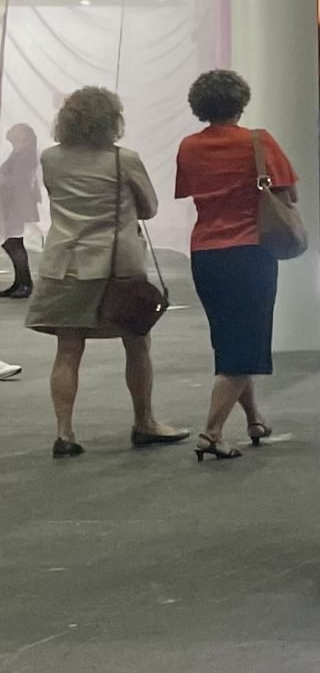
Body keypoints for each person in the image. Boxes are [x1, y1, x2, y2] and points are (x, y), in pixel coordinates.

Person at [27, 87, 189, 457]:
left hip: (64, 264)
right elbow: (148, 208)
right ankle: (144, 421)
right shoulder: (124, 159)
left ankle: (65, 434)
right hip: (117, 268)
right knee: (137, 343)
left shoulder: (50, 158)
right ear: (111, 121)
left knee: (68, 349)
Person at [172, 69, 295, 460]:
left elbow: (190, 190)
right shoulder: (258, 142)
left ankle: (254, 418)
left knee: (230, 341)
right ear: (241, 101)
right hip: (250, 250)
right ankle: (211, 433)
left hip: (206, 252)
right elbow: (287, 194)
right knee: (246, 345)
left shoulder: (189, 146)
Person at [2, 120, 37, 297]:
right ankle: (21, 282)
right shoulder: (19, 153)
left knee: (12, 242)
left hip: (16, 204)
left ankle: (25, 283)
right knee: (13, 242)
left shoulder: (26, 154)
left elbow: (18, 180)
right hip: (12, 203)